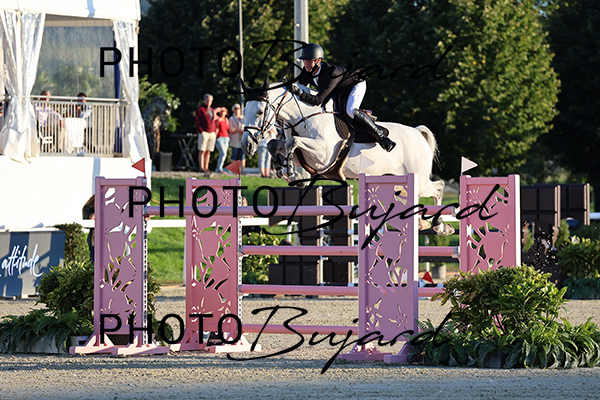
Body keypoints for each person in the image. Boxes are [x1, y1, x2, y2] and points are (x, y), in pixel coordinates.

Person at [290, 43, 396, 152]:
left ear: (318, 60)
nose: (306, 63)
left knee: (350, 111)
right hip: (339, 90)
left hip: (355, 85)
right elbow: (299, 87)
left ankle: (383, 138)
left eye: (309, 60)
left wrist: (301, 94)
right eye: (304, 60)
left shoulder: (331, 73)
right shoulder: (307, 71)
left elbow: (318, 100)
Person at [195, 93, 217, 173]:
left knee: (208, 151)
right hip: (204, 132)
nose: (209, 102)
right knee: (202, 150)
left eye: (210, 101)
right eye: (207, 100)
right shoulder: (200, 109)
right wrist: (201, 131)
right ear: (204, 100)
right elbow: (197, 121)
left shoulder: (211, 110)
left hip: (212, 132)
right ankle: (201, 168)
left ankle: (206, 167)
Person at [228, 103, 246, 174]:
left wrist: (239, 130)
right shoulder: (231, 119)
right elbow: (231, 129)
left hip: (242, 139)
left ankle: (242, 171)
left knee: (242, 156)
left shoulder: (243, 118)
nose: (237, 110)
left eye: (238, 108)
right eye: (235, 109)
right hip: (235, 140)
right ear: (233, 110)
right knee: (234, 155)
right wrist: (239, 130)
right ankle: (234, 171)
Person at [214, 107, 230, 173]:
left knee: (224, 154)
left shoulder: (226, 120)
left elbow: (227, 129)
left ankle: (219, 168)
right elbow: (217, 128)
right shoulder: (218, 119)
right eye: (221, 111)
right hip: (220, 137)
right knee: (223, 153)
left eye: (224, 111)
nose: (222, 112)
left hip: (226, 138)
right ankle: (219, 169)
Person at [82, 195, 95, 262]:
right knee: (93, 258)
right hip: (93, 237)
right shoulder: (88, 208)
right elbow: (91, 217)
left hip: (103, 237)